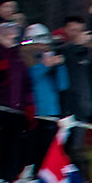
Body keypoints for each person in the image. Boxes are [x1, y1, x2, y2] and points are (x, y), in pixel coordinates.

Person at [0, 21, 32, 181]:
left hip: (15, 109)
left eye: (14, 36)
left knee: (12, 144)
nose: (12, 39)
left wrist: (28, 104)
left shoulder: (17, 57)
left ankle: (10, 174)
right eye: (9, 35)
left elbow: (26, 84)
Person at [21, 24, 68, 166]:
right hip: (34, 112)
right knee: (32, 149)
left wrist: (60, 66)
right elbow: (30, 79)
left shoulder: (50, 57)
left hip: (52, 111)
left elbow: (63, 85)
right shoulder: (25, 57)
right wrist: (44, 66)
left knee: (48, 150)